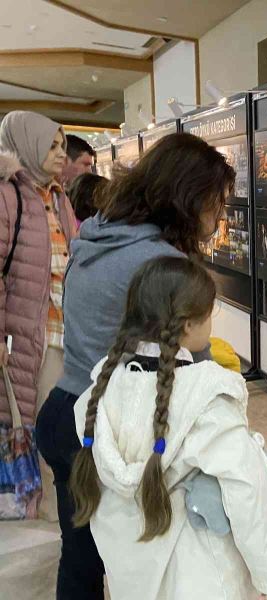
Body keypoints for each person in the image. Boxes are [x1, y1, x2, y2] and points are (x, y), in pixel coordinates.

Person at [36, 132, 234, 599]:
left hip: (68, 412)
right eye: (216, 202)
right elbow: (193, 368)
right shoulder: (160, 263)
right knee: (145, 569)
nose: (219, 216)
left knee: (81, 557)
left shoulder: (100, 235)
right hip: (113, 430)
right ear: (189, 197)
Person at [69, 256, 267, 599]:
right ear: (188, 324)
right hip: (205, 579)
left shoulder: (99, 395)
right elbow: (248, 489)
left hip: (134, 582)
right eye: (210, 314)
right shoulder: (206, 395)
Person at [0, 111, 78, 522]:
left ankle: (57, 505)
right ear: (28, 145)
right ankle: (45, 507)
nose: (60, 154)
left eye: (62, 145)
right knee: (40, 422)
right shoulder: (8, 196)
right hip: (30, 336)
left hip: (66, 331)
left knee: (61, 421)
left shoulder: (57, 195)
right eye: (51, 145)